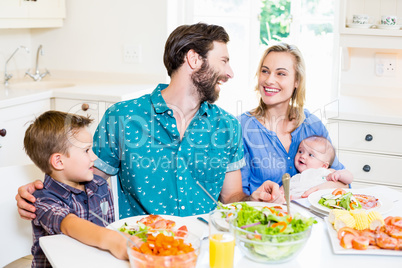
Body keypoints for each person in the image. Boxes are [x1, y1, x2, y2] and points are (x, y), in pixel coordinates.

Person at [16, 23, 284, 221]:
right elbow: (84, 183)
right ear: (193, 59)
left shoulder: (227, 126)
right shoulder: (122, 117)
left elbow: (231, 198)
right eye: (223, 61)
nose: (230, 73)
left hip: (206, 247)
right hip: (141, 249)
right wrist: (41, 191)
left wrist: (254, 200)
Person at [240, 42, 349, 197]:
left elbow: (343, 181)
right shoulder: (242, 128)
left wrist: (323, 187)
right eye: (265, 71)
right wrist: (253, 199)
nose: (269, 80)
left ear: (297, 81)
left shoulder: (312, 125)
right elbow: (234, 198)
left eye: (281, 73)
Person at [23, 111, 129, 267]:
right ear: (58, 161)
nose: (94, 157)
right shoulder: (41, 199)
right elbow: (68, 224)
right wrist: (112, 239)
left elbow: (109, 225)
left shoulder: (100, 186)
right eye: (86, 150)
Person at [289, 135, 353, 199]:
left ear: (324, 165)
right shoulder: (296, 177)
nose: (302, 156)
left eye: (310, 155)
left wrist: (339, 175)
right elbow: (284, 189)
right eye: (300, 151)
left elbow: (349, 178)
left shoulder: (325, 173)